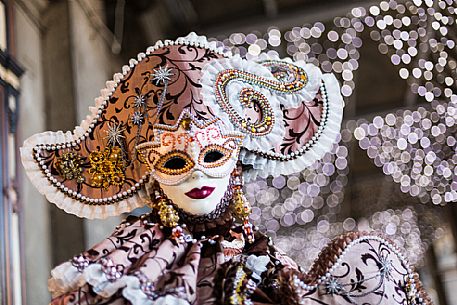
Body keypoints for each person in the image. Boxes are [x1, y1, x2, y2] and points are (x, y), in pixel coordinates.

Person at [21, 33, 431, 305]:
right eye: (175, 161)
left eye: (213, 155)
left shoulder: (256, 253)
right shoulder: (132, 261)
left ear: (237, 158)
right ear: (150, 170)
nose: (197, 176)